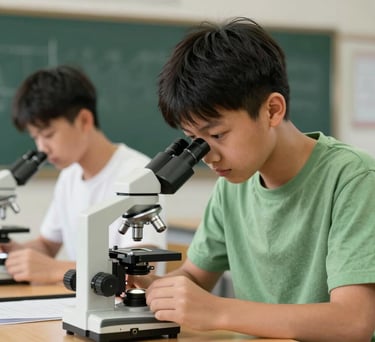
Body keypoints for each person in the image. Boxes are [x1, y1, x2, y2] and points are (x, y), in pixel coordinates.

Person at [130, 17, 375, 341]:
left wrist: (218, 311)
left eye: (216, 134)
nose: (208, 156)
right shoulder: (231, 188)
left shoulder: (352, 179)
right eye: (194, 140)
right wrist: (154, 289)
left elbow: (353, 322)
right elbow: (194, 277)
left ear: (272, 110)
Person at [0, 65, 167, 284]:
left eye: (48, 134)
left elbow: (140, 271)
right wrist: (12, 250)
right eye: (35, 137)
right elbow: (48, 246)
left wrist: (55, 270)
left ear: (84, 120)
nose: (42, 148)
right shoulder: (69, 176)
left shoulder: (138, 176)